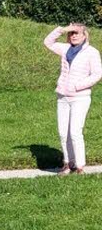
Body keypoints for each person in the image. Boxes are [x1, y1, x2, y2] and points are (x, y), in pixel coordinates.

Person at [43, 23, 102, 175]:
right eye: (71, 33)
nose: (73, 36)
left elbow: (97, 74)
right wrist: (62, 30)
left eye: (77, 33)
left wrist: (78, 86)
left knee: (75, 131)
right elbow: (48, 42)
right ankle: (68, 163)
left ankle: (80, 166)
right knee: (64, 132)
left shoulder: (91, 52)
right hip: (62, 96)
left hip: (80, 97)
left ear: (84, 35)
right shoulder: (65, 48)